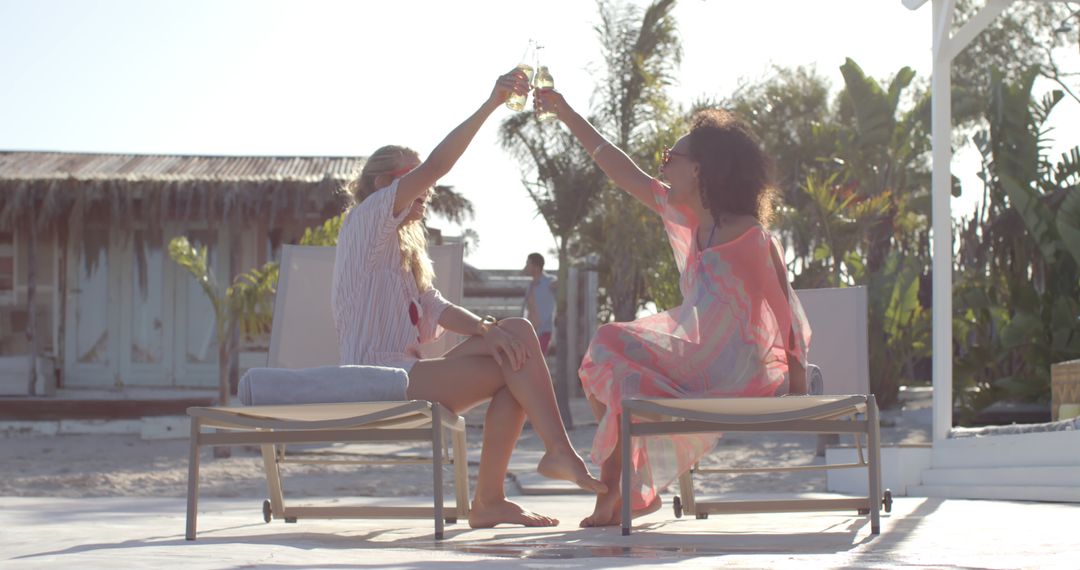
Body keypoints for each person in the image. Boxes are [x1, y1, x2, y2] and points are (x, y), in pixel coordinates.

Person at [330, 71, 605, 529]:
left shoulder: (405, 248)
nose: (424, 187)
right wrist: (491, 103)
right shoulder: (367, 221)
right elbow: (438, 166)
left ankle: (506, 490)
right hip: (377, 378)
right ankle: (538, 465)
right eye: (410, 177)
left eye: (421, 180)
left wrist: (485, 329)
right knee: (516, 361)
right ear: (382, 185)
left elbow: (435, 306)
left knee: (514, 337)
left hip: (411, 374)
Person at [534, 89, 811, 527]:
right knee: (617, 373)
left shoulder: (748, 237)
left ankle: (618, 494)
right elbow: (619, 169)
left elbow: (786, 312)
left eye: (670, 157)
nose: (662, 165)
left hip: (736, 369)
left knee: (608, 343)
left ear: (699, 169)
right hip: (697, 358)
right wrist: (566, 113)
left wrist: (797, 388)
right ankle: (618, 496)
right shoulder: (691, 221)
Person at [522, 252, 556, 355]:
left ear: (536, 267)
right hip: (530, 333)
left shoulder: (550, 281)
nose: (526, 267)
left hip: (544, 332)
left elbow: (562, 283)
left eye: (528, 264)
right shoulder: (531, 285)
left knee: (537, 361)